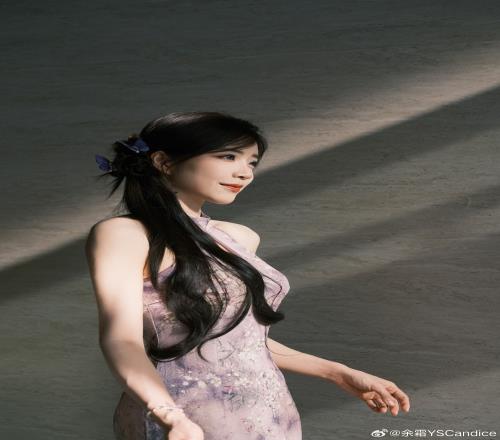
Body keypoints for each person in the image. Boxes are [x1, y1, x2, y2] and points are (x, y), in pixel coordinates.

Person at [85, 111, 411, 440]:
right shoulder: (124, 234)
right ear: (163, 162)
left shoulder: (239, 237)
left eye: (252, 162)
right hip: (184, 415)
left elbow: (239, 342)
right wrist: (169, 415)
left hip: (269, 412)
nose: (245, 173)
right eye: (228, 157)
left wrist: (338, 373)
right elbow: (121, 340)